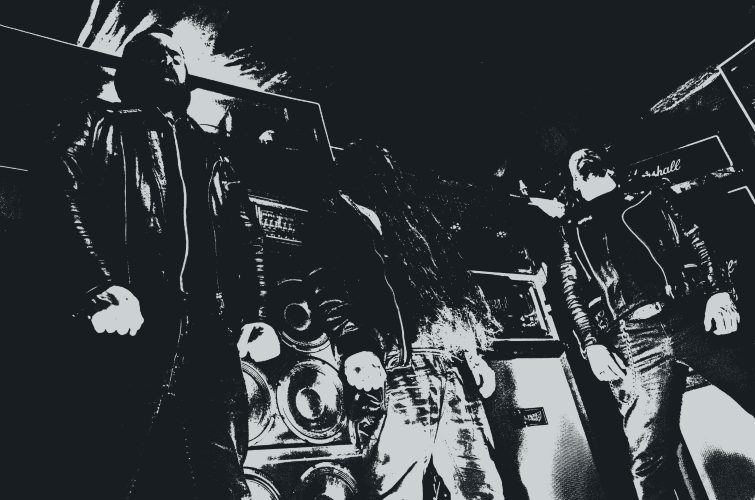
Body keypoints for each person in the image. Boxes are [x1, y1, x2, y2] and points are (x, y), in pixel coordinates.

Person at [43, 26, 276, 499]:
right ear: (131, 69)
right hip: (130, 325)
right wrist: (99, 286)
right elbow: (57, 193)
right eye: (156, 53)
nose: (170, 60)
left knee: (220, 476)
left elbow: (245, 234)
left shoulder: (211, 150)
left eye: (177, 54)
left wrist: (255, 314)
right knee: (110, 466)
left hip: (208, 334)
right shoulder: (98, 123)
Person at [306, 141, 505, 499]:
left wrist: (473, 355)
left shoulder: (413, 222)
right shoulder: (337, 216)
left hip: (449, 362)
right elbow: (327, 283)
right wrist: (356, 346)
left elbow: (452, 287)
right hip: (396, 364)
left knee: (480, 484)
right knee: (398, 485)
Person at [558, 148, 754, 499]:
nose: (582, 158)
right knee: (648, 457)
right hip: (634, 338)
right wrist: (591, 343)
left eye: (589, 155)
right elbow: (571, 290)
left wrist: (720, 291)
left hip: (689, 315)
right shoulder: (573, 227)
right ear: (574, 183)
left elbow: (698, 238)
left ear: (608, 166)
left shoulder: (650, 194)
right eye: (576, 163)